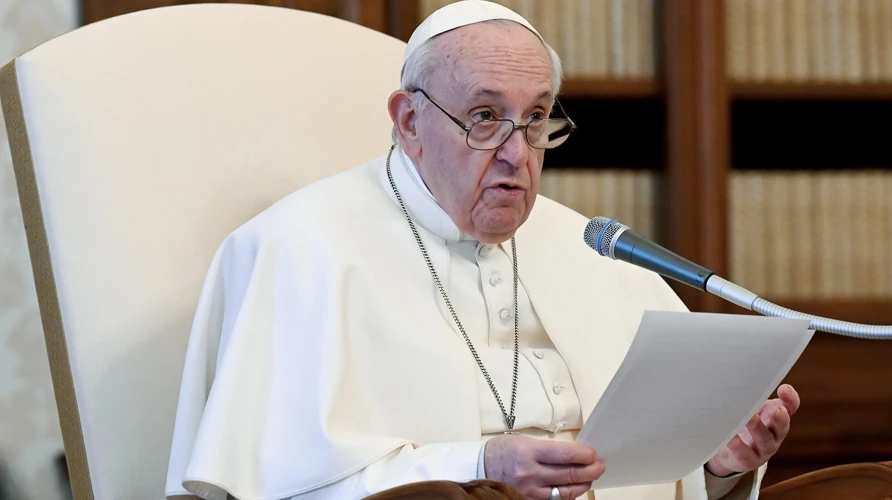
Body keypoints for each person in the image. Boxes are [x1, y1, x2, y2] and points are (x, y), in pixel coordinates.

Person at [164, 2, 800, 499]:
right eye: (484, 117)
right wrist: (479, 468)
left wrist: (718, 465)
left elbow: (650, 477)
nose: (517, 154)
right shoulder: (297, 251)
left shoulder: (588, 248)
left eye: (536, 118)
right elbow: (281, 487)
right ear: (409, 122)